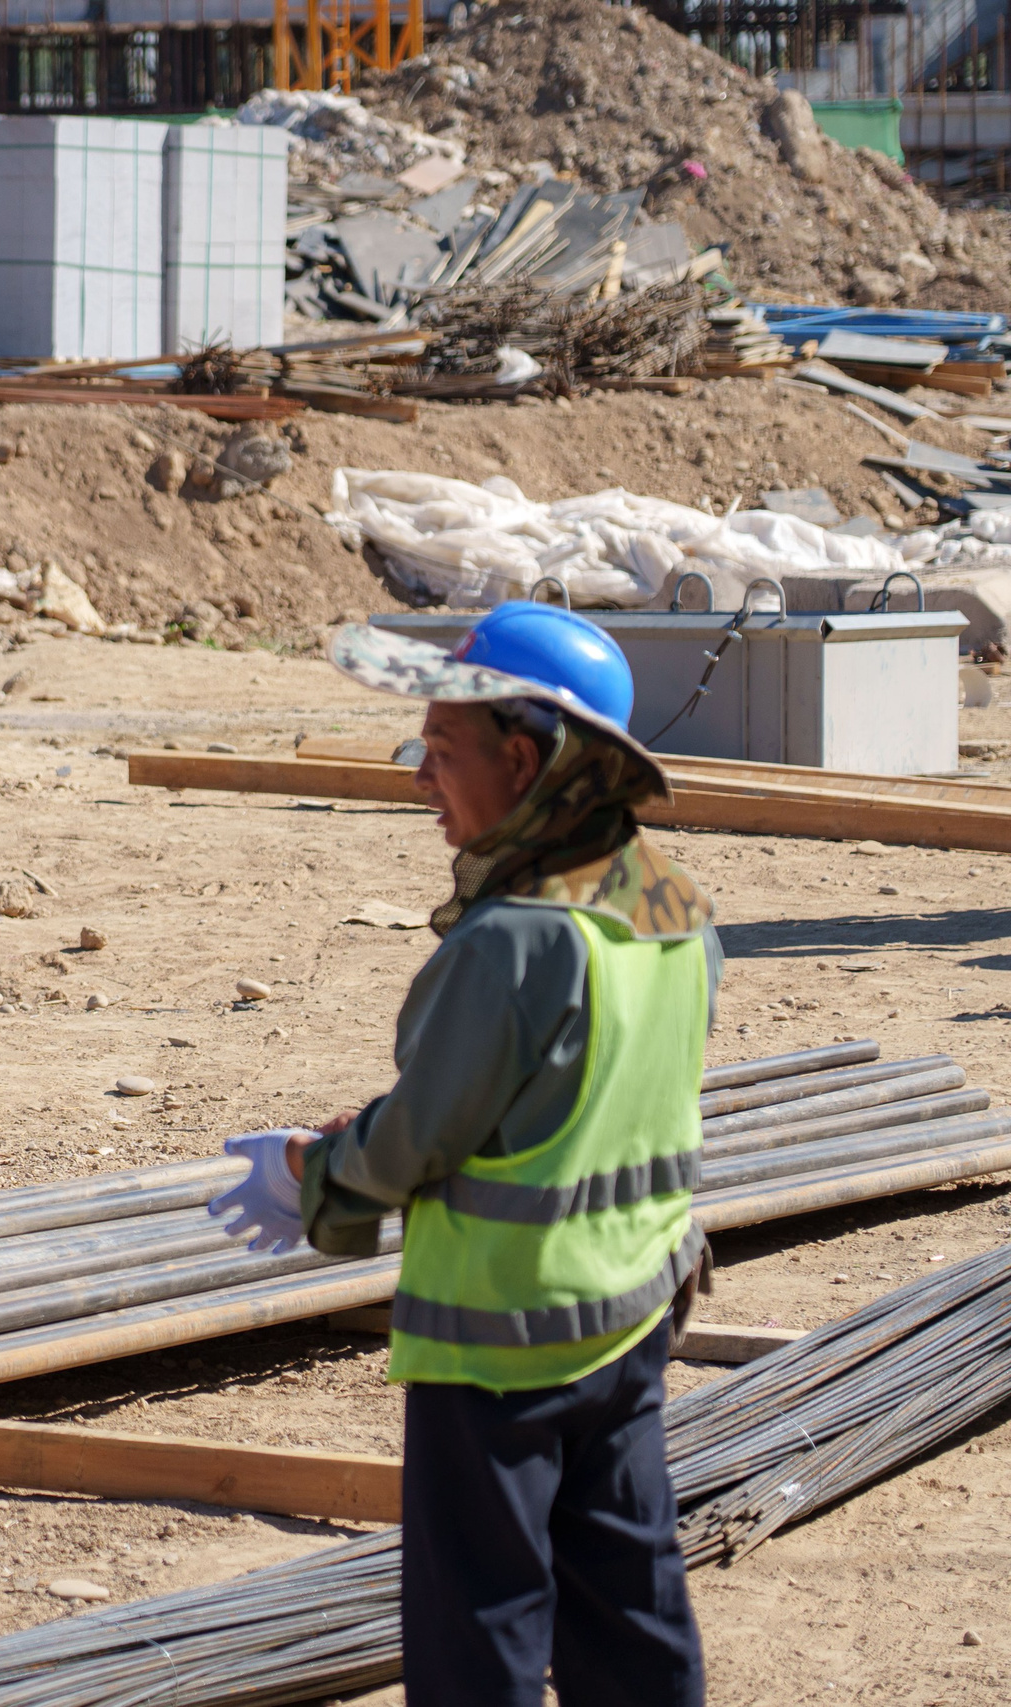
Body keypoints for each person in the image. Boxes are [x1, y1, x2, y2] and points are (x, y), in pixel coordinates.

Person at [208, 602, 718, 1707]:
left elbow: (416, 1145)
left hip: (498, 1347)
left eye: (441, 751)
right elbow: (581, 1102)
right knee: (628, 1601)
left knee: (478, 1622)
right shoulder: (670, 899)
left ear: (522, 759)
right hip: (630, 1309)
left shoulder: (510, 941)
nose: (419, 777)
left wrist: (312, 1172)